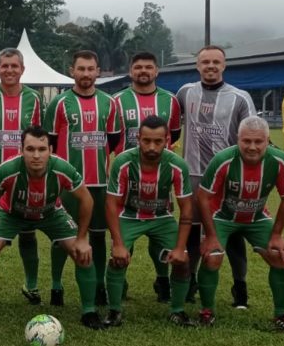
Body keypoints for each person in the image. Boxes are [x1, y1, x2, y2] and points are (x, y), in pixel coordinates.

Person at [0, 126, 95, 328]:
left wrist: (81, 239)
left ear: (50, 150)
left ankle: (89, 311)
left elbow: (86, 199)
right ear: (21, 150)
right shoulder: (9, 169)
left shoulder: (62, 168)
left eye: (42, 149)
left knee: (82, 253)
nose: (36, 155)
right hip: (12, 214)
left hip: (50, 213)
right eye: (30, 149)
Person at [196, 116, 284, 332]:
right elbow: (203, 197)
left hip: (256, 217)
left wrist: (276, 235)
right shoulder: (223, 160)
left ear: (267, 140)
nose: (252, 147)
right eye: (246, 141)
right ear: (238, 139)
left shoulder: (280, 161)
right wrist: (211, 236)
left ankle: (281, 313)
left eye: (258, 142)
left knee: (280, 256)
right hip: (222, 217)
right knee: (212, 256)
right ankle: (206, 310)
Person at [176, 46, 257, 309]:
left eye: (216, 62)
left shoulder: (240, 98)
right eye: (205, 62)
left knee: (231, 232)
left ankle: (240, 286)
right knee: (191, 228)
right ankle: (189, 281)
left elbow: (252, 137)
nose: (210, 66)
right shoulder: (185, 92)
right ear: (197, 65)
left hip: (226, 176)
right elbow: (172, 126)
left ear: (224, 65)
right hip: (193, 174)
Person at [107, 50, 183, 303]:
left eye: (148, 67)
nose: (143, 71)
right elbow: (113, 137)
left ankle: (162, 280)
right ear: (130, 71)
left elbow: (174, 133)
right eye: (138, 67)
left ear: (156, 71)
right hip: (127, 176)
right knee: (124, 229)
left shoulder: (171, 101)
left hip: (159, 176)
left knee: (158, 220)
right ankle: (121, 283)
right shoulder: (117, 100)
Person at [104, 116, 194, 327]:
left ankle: (177, 311)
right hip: (130, 215)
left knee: (184, 261)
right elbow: (111, 205)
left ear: (167, 140)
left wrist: (181, 248)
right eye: (146, 141)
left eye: (158, 141)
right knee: (117, 259)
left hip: (162, 217)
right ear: (138, 138)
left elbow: (187, 210)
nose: (152, 147)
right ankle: (114, 311)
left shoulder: (177, 165)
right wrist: (117, 244)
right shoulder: (123, 162)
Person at [0, 47, 44, 305]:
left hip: (26, 179)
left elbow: (40, 138)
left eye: (14, 66)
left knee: (28, 232)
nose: (9, 70)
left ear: (22, 69)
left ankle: (32, 284)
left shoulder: (35, 99)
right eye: (4, 66)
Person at [45, 50, 111, 308]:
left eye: (90, 69)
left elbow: (113, 140)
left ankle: (99, 286)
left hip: (99, 183)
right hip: (67, 185)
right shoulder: (58, 103)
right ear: (71, 70)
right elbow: (50, 142)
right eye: (80, 68)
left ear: (98, 71)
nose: (85, 73)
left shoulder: (109, 103)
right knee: (62, 236)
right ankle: (56, 286)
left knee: (97, 236)